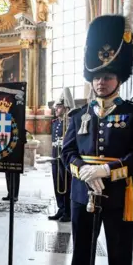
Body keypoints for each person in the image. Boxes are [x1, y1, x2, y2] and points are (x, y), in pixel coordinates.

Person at [58, 12, 133, 265]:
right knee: (81, 250)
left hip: (118, 197)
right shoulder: (78, 115)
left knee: (119, 254)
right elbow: (67, 152)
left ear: (119, 77)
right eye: (97, 75)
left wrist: (108, 170)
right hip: (82, 195)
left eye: (108, 75)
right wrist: (84, 171)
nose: (101, 81)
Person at [49, 92, 72, 222]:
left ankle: (68, 211)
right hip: (55, 158)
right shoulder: (55, 122)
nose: (56, 110)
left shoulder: (70, 122)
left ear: (65, 107)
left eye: (58, 107)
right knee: (57, 184)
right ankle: (61, 208)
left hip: (65, 159)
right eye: (55, 107)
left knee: (66, 186)